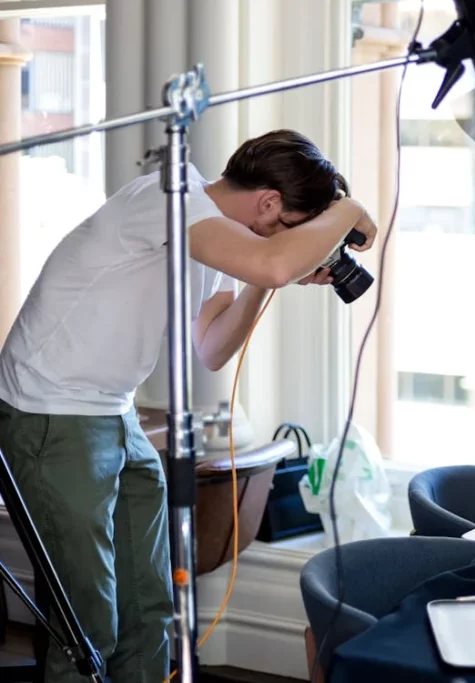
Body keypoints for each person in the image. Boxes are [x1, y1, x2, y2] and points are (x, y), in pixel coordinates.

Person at [0, 129, 377, 682]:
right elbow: (272, 261)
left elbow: (213, 347)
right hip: (51, 412)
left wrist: (268, 283)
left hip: (112, 413)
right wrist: (349, 211)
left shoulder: (219, 239)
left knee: (151, 609)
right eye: (295, 229)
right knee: (86, 621)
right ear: (270, 203)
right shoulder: (169, 198)